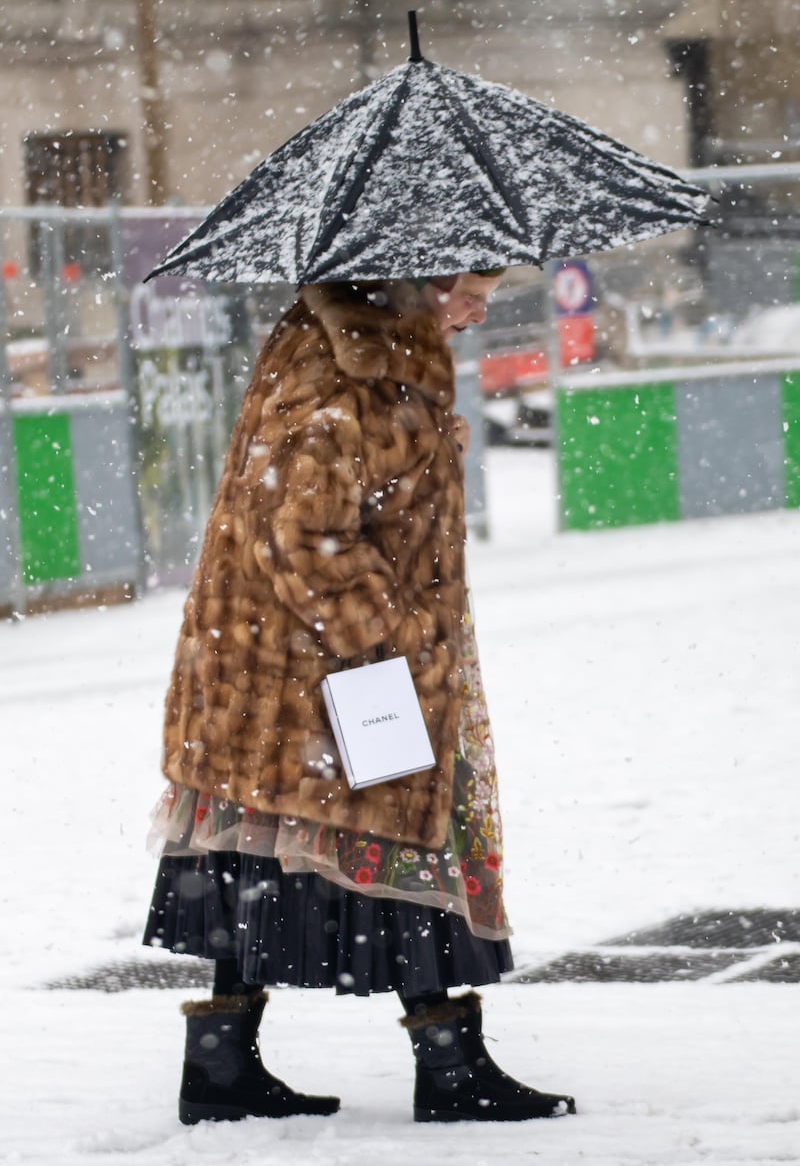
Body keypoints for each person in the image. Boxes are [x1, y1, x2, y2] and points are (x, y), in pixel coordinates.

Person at [143, 271, 576, 1125]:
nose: (480, 307)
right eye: (469, 286)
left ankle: (222, 1060)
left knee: (267, 854)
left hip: (274, 668)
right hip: (327, 668)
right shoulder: (364, 374)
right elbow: (303, 527)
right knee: (394, 844)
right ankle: (448, 1065)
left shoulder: (356, 357)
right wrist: (396, 632)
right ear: (417, 277)